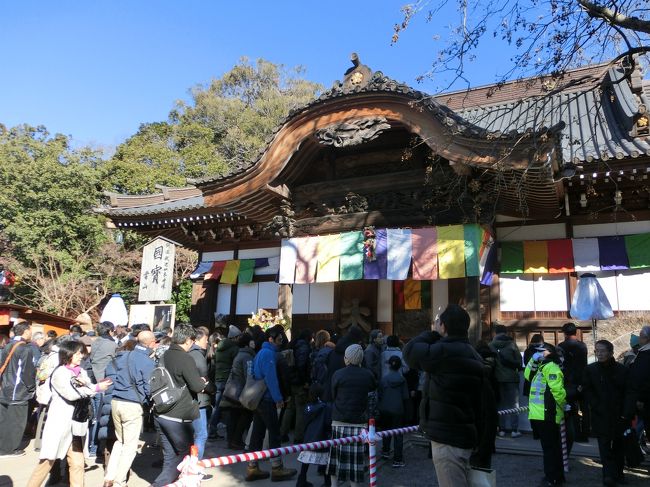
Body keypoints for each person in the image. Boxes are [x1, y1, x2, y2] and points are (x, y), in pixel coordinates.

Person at [403, 305, 486, 487]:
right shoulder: (473, 354)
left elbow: (410, 352)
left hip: (447, 436)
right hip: (466, 433)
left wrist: (433, 333)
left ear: (444, 327)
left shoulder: (443, 352)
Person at [26, 340, 112, 487]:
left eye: (81, 353)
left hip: (76, 425)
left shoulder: (82, 371)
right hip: (60, 422)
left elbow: (87, 387)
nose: (81, 356)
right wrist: (96, 388)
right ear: (68, 354)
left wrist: (93, 387)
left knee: (78, 464)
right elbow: (72, 394)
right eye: (78, 353)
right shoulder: (60, 372)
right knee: (46, 462)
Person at [151, 324, 215, 487]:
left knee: (171, 457)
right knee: (185, 457)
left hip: (161, 411)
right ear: (187, 340)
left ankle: (164, 484)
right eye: (192, 341)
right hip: (178, 415)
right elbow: (196, 386)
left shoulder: (165, 354)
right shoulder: (185, 358)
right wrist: (205, 385)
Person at [102, 330, 157, 487]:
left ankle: (109, 477)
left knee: (120, 441)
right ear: (152, 343)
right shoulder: (148, 362)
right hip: (132, 404)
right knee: (130, 446)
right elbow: (148, 387)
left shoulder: (125, 355)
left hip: (116, 400)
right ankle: (120, 481)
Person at [245, 326, 297, 482]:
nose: (280, 342)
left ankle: (252, 467)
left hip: (259, 399)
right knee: (274, 433)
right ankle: (277, 467)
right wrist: (278, 398)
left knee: (257, 434)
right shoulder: (268, 354)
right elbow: (271, 378)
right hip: (267, 399)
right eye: (279, 339)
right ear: (271, 339)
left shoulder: (261, 352)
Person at [582, 339, 635, 487]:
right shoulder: (591, 369)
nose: (599, 353)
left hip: (619, 413)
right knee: (604, 446)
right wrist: (595, 404)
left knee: (619, 446)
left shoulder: (622, 370)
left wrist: (627, 412)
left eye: (603, 351)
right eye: (597, 351)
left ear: (611, 352)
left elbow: (628, 392)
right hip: (600, 413)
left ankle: (619, 474)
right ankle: (608, 476)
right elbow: (587, 390)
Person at [326, 344, 376, 487]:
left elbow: (333, 395)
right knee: (355, 462)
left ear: (347, 358)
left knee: (335, 460)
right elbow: (372, 396)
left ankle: (334, 485)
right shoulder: (368, 375)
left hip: (339, 420)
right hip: (359, 422)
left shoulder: (338, 374)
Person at [524, 343, 567, 487]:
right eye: (537, 352)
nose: (539, 353)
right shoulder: (540, 366)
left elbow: (558, 392)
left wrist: (562, 406)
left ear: (550, 353)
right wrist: (533, 360)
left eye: (542, 351)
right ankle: (554, 477)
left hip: (548, 414)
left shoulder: (551, 367)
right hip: (539, 415)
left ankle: (553, 478)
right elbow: (527, 376)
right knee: (549, 448)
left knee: (551, 449)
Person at [0, 320, 35, 458]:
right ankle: (9, 449)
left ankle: (2, 447)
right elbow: (28, 372)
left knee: (4, 420)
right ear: (25, 332)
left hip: (4, 389)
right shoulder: (25, 349)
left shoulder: (8, 346)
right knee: (17, 422)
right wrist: (32, 388)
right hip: (18, 391)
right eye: (30, 331)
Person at [220, 332, 256, 450]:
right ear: (248, 343)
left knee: (233, 416)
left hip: (234, 389)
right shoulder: (247, 356)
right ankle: (236, 440)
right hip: (241, 390)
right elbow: (249, 375)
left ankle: (231, 440)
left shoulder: (239, 354)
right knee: (245, 415)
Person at [489, 324, 523, 438]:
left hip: (497, 379)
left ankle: (502, 429)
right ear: (506, 332)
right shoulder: (512, 344)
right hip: (512, 378)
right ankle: (514, 430)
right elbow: (519, 360)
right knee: (514, 404)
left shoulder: (491, 345)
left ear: (495, 333)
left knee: (500, 404)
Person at [557, 322, 589, 443]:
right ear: (576, 332)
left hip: (568, 381)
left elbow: (560, 365)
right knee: (585, 409)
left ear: (564, 333)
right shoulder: (582, 346)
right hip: (582, 380)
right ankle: (585, 434)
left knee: (571, 409)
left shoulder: (561, 346)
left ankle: (575, 433)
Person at [296, 383, 332, 487]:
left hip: (308, 438)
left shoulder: (307, 407)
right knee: (325, 462)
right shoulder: (325, 408)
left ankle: (301, 481)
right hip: (321, 438)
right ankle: (327, 483)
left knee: (305, 461)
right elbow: (327, 423)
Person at [281, 329, 313, 444]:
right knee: (300, 409)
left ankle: (283, 433)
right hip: (299, 382)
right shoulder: (304, 348)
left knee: (289, 408)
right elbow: (302, 365)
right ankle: (299, 436)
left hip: (290, 381)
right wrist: (305, 380)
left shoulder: (293, 345)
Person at [209, 324, 241, 439]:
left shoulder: (219, 348)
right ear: (235, 337)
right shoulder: (234, 349)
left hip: (218, 379)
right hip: (229, 381)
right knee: (230, 407)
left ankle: (212, 430)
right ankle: (230, 434)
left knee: (217, 407)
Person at [378, 355, 409, 467]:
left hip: (385, 408)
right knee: (398, 434)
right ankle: (398, 459)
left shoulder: (384, 379)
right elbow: (406, 397)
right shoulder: (402, 380)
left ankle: (385, 451)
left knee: (386, 431)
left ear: (389, 366)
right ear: (400, 366)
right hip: (398, 409)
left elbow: (380, 395)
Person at [188, 326, 212, 460]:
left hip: (190, 399)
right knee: (201, 434)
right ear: (197, 340)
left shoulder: (189, 353)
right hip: (199, 399)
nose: (207, 342)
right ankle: (195, 466)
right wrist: (211, 389)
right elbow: (204, 377)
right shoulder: (197, 355)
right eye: (205, 339)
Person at [630, 325, 650, 448]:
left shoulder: (646, 354)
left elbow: (643, 378)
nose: (639, 340)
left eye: (641, 337)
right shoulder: (643, 352)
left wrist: (641, 398)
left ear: (646, 338)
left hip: (646, 399)